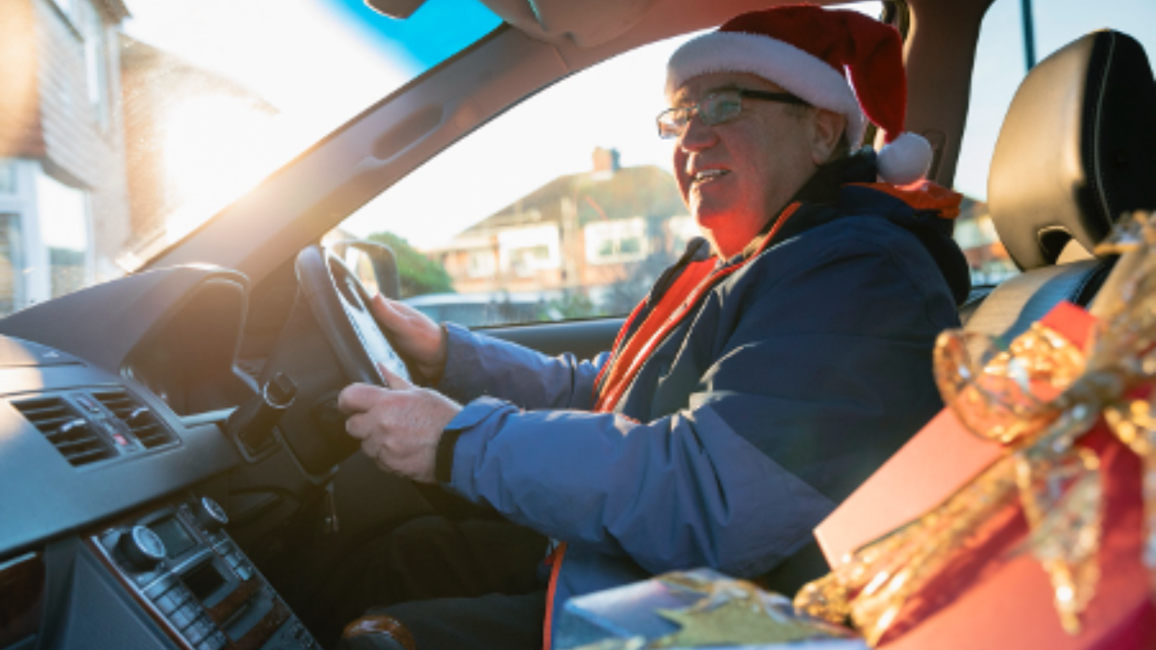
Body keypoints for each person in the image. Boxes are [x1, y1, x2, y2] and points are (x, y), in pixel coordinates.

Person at [335, 5, 970, 650]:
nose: (692, 138)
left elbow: (712, 497)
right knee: (397, 556)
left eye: (724, 106)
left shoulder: (856, 275)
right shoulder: (746, 260)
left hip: (717, 621)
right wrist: (448, 354)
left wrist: (459, 442)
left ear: (822, 129)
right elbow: (606, 394)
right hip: (635, 572)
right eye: (681, 116)